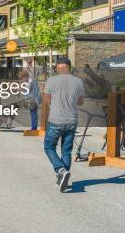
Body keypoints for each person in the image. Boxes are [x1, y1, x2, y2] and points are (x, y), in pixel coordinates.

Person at [42, 57, 85, 193]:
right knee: (66, 151)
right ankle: (62, 179)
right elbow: (80, 103)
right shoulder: (79, 82)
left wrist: (53, 105)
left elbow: (45, 100)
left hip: (55, 120)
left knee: (49, 147)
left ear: (58, 67)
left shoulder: (51, 80)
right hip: (72, 120)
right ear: (69, 67)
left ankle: (60, 170)